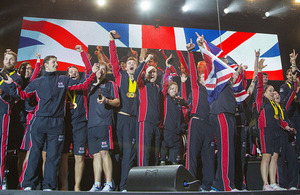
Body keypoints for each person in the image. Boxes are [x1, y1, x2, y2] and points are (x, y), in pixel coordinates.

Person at [6, 55, 97, 191]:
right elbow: (23, 95)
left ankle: (49, 186)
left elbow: (83, 85)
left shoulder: (63, 79)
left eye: (56, 62)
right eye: (53, 62)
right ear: (46, 65)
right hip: (40, 122)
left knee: (53, 156)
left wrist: (93, 73)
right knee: (34, 153)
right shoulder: (38, 82)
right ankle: (28, 184)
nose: (56, 64)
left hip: (57, 124)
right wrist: (12, 84)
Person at [255, 58, 295, 191]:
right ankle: (265, 183)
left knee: (275, 156)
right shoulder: (262, 101)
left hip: (276, 132)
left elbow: (281, 120)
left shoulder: (275, 105)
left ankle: (273, 183)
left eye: (273, 91)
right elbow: (259, 87)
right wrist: (259, 71)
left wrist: (287, 127)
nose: (273, 93)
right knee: (266, 156)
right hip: (265, 130)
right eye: (270, 91)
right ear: (265, 93)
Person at [57, 45, 92, 191]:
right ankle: (63, 187)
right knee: (64, 156)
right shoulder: (63, 87)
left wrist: (82, 53)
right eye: (70, 72)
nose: (73, 74)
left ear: (79, 75)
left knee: (79, 156)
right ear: (67, 75)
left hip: (80, 124)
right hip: (65, 123)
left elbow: (89, 71)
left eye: (75, 72)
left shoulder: (82, 85)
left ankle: (77, 187)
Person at [109, 31, 139, 192]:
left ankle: (124, 186)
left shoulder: (140, 81)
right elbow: (113, 59)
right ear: (125, 66)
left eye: (134, 63)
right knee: (116, 153)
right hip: (120, 119)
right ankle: (112, 183)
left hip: (133, 121)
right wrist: (111, 41)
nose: (131, 65)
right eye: (129, 63)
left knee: (129, 155)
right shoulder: (120, 77)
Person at [185, 39, 214, 192]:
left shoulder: (212, 94)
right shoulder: (196, 87)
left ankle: (208, 185)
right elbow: (192, 71)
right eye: (202, 76)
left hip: (209, 126)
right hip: (195, 123)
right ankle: (190, 185)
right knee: (192, 155)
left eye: (206, 76)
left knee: (208, 157)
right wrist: (190, 52)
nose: (204, 77)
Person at [87, 61, 120, 192]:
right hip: (91, 124)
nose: (100, 71)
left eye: (103, 69)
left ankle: (109, 183)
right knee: (95, 155)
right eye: (98, 69)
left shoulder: (110, 84)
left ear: (106, 71)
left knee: (104, 152)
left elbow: (117, 102)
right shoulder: (89, 85)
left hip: (105, 123)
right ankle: (97, 183)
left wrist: (106, 100)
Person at [134, 54, 162, 167]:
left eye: (154, 72)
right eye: (149, 72)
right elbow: (136, 75)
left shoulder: (158, 88)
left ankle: (152, 179)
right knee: (144, 152)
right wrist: (145, 61)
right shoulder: (142, 86)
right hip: (145, 122)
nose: (152, 74)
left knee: (155, 154)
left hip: (156, 124)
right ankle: (141, 180)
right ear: (145, 74)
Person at [0, 49, 23, 189]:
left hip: (4, 114)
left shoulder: (17, 78)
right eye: (6, 59)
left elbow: (15, 99)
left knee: (1, 148)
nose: (9, 61)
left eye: (11, 59)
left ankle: (1, 179)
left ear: (15, 62)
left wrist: (2, 94)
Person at [277, 50, 299, 190]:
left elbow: (293, 91)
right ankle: (282, 185)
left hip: (289, 133)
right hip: (278, 136)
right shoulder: (271, 107)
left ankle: (292, 185)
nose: (276, 96)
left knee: (293, 159)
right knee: (279, 160)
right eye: (274, 94)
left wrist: (293, 63)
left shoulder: (284, 105)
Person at [160, 54, 187, 165]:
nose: (173, 90)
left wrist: (183, 83)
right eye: (171, 88)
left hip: (176, 136)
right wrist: (167, 67)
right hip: (165, 134)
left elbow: (185, 102)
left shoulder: (179, 102)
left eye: (175, 89)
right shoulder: (165, 99)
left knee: (174, 164)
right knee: (162, 162)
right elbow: (165, 85)